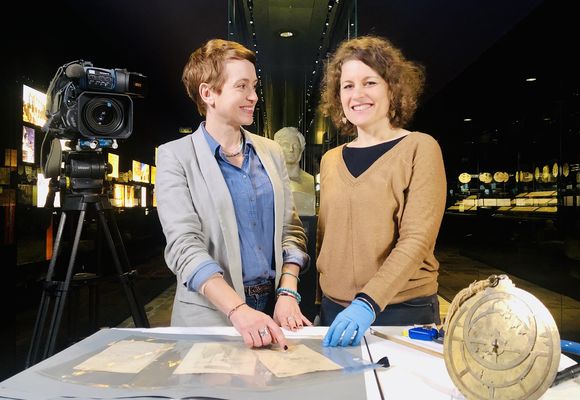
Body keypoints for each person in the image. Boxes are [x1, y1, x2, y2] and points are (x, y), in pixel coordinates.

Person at [156, 39, 312, 349]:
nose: (253, 96)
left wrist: (287, 291)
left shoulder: (271, 152)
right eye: (241, 86)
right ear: (208, 93)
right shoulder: (174, 156)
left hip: (276, 308)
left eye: (253, 86)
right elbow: (184, 247)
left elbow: (291, 230)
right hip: (210, 316)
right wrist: (239, 310)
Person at [317, 35, 447, 347]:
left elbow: (417, 240)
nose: (357, 94)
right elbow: (325, 239)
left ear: (392, 87)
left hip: (401, 312)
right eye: (347, 86)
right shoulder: (330, 160)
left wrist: (368, 303)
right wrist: (318, 303)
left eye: (370, 82)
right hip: (335, 311)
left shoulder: (420, 148)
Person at [273, 127, 316, 216]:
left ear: (301, 148)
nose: (291, 149)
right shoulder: (272, 179)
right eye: (286, 145)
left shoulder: (310, 180)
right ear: (277, 149)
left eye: (295, 145)